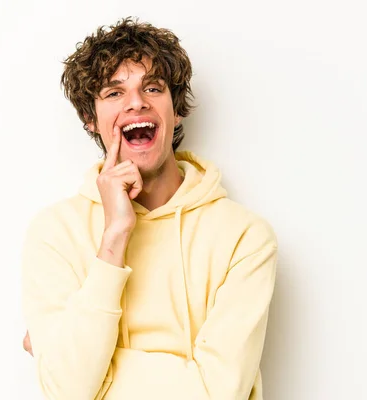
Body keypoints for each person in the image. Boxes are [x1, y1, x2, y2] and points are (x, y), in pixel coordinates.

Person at [21, 17, 278, 400]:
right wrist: (114, 239)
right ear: (91, 120)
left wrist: (90, 370)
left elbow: (216, 393)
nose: (136, 102)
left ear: (177, 110)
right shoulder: (55, 233)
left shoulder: (244, 238)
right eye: (113, 93)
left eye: (153, 88)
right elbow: (67, 391)